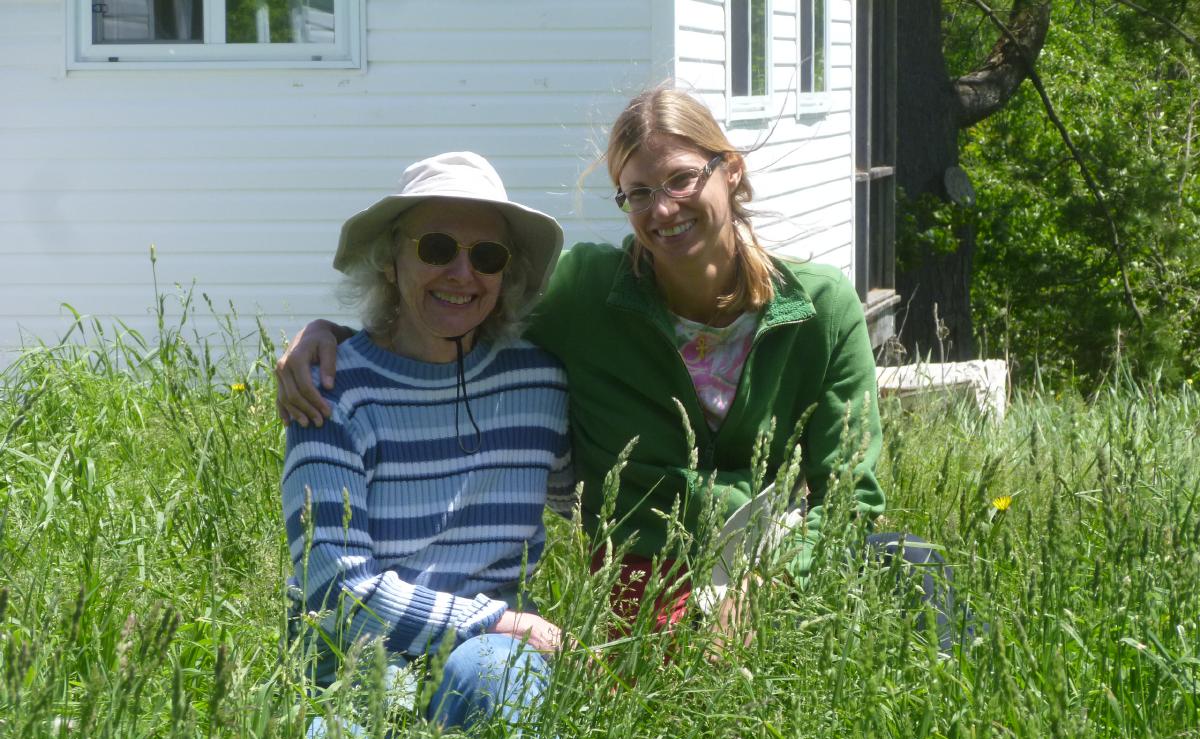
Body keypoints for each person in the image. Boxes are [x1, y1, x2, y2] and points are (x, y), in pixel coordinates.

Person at [278, 88, 962, 653]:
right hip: (649, 571)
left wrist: (764, 585)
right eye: (637, 193)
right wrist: (333, 336)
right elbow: (448, 312)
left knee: (917, 570)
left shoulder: (820, 306)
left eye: (681, 179)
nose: (662, 209)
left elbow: (850, 496)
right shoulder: (585, 295)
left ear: (733, 172)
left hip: (782, 561)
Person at [282, 151, 574, 737]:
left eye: (487, 257)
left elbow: (596, 504)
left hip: (489, 656)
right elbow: (335, 589)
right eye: (436, 249)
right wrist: (504, 621)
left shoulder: (539, 384)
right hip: (355, 650)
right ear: (390, 259)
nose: (463, 275)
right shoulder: (335, 389)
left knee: (491, 680)